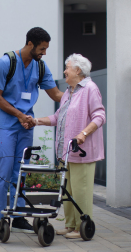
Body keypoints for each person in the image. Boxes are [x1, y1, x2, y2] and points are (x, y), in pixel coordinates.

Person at [0, 27, 63, 234]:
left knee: (21, 170)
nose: (44, 53)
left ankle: (19, 214)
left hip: (25, 124)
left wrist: (79, 97)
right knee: (3, 170)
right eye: (42, 48)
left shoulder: (40, 66)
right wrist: (19, 115)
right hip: (6, 123)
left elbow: (56, 94)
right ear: (30, 44)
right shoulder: (6, 63)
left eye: (46, 49)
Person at [33, 53, 105, 239]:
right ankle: (70, 224)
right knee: (68, 190)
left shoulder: (90, 88)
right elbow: (57, 118)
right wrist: (36, 121)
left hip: (82, 151)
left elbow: (99, 116)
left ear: (78, 70)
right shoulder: (68, 92)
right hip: (65, 152)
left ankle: (83, 227)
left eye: (67, 68)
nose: (64, 71)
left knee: (81, 190)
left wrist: (83, 133)